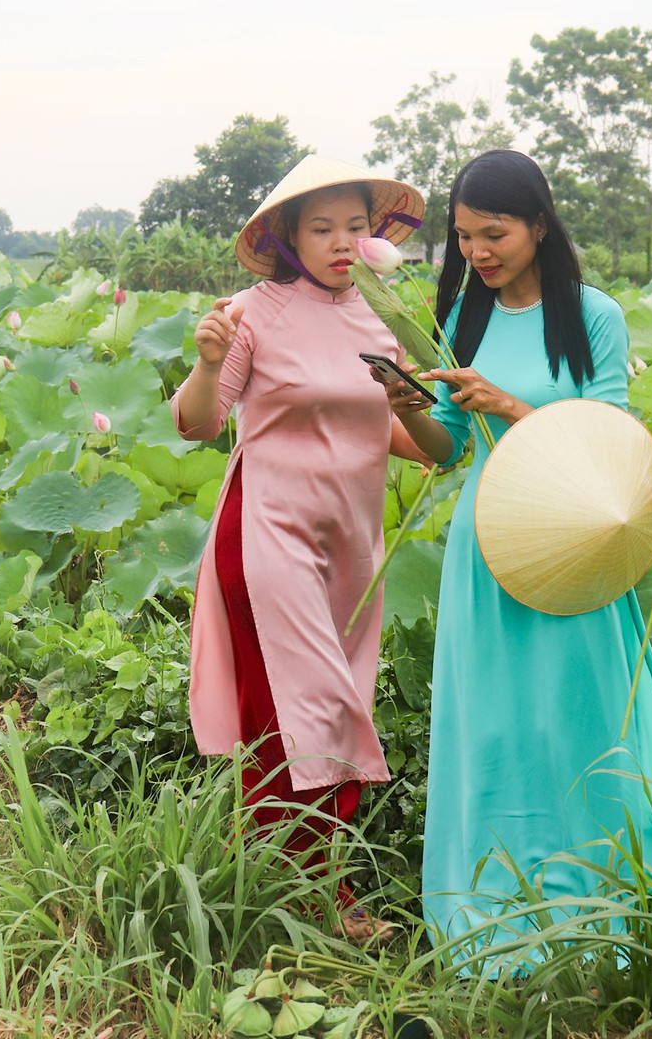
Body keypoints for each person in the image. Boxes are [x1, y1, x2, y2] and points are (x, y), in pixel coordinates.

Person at [382, 149, 652, 968]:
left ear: (539, 223)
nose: (478, 253)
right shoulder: (465, 313)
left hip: (574, 538)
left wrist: (509, 403)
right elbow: (445, 449)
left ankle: (600, 891)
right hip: (488, 538)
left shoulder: (593, 316)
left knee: (575, 711)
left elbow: (608, 439)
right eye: (464, 239)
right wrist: (408, 408)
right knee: (496, 721)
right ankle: (496, 897)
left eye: (493, 233)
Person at [172, 154, 427, 941]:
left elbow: (418, 442)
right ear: (288, 236)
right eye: (322, 228)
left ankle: (296, 881)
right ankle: (309, 897)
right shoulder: (251, 312)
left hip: (352, 544)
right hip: (268, 530)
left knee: (339, 705)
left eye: (356, 226)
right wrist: (210, 362)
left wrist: (418, 402)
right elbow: (198, 425)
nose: (342, 242)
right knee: (298, 709)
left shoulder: (385, 319)